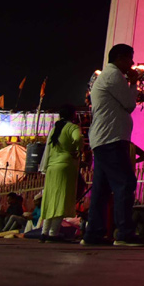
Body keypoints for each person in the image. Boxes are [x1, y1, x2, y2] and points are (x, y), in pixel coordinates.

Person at [83, 42, 144, 247]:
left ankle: (93, 233)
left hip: (104, 138)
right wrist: (133, 83)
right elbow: (129, 104)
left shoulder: (108, 76)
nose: (132, 63)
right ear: (120, 57)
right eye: (130, 58)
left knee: (101, 189)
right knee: (125, 183)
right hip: (111, 138)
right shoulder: (113, 75)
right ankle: (125, 232)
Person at [38, 103, 82, 242]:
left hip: (51, 167)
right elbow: (79, 139)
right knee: (61, 200)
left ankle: (44, 233)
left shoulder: (54, 129)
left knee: (50, 199)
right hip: (65, 166)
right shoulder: (72, 127)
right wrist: (77, 150)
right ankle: (53, 233)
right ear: (73, 115)